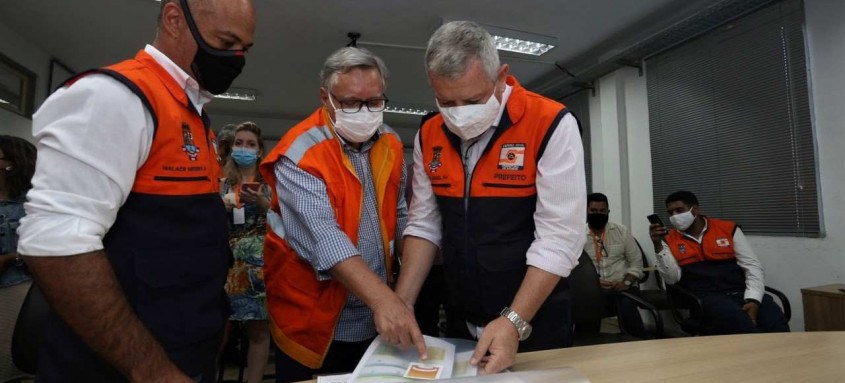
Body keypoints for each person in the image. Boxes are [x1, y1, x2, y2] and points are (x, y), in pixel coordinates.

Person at [16, 0, 256, 381]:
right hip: (122, 364)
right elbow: (57, 246)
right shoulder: (114, 97)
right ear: (175, 19)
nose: (236, 58)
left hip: (185, 349)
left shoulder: (192, 114)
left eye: (244, 47)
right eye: (226, 42)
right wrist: (152, 371)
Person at [395, 21, 587, 374]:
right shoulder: (429, 132)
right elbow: (424, 223)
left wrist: (514, 320)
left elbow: (561, 239)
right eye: (445, 101)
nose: (458, 112)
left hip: (533, 317)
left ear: (501, 77)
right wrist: (403, 303)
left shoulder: (550, 123)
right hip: (460, 312)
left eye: (472, 100)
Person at [259, 46, 421, 383]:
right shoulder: (299, 152)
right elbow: (325, 238)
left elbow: (401, 216)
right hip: (313, 320)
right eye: (349, 103)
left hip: (376, 317)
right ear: (325, 97)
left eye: (375, 101)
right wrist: (387, 302)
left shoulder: (390, 141)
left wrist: (405, 291)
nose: (364, 112)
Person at [649, 190, 790, 334]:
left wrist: (753, 299)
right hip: (705, 296)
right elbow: (672, 278)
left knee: (775, 322)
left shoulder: (727, 229)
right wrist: (658, 245)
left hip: (740, 290)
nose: (675, 217)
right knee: (742, 325)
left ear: (695, 209)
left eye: (679, 210)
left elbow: (752, 267)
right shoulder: (669, 239)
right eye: (670, 213)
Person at [220, 122, 271, 383]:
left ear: (260, 150)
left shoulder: (269, 184)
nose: (244, 148)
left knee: (258, 332)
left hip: (259, 268)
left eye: (250, 144)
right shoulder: (220, 184)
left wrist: (263, 204)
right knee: (217, 330)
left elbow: (285, 223)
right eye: (239, 143)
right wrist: (221, 210)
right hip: (225, 265)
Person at [582, 192, 646, 337]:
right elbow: (573, 269)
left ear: (608, 212)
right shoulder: (577, 235)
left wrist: (626, 282)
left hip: (622, 288)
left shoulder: (621, 231)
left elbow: (636, 263)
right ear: (585, 211)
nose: (598, 214)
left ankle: (639, 343)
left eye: (602, 211)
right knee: (585, 311)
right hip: (591, 290)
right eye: (593, 211)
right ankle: (586, 347)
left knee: (626, 303)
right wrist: (592, 283)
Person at [0, 135, 36, 382]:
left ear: (10, 165)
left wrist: (12, 258)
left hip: (14, 290)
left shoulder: (32, 206)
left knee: (9, 367)